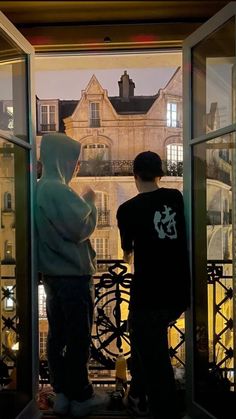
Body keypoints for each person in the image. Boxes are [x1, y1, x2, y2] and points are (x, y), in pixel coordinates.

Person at [35, 133, 108, 417]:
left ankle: (63, 392)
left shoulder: (41, 188)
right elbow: (80, 229)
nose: (77, 167)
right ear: (62, 160)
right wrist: (89, 200)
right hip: (73, 278)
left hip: (52, 276)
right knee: (77, 338)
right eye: (74, 160)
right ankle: (81, 396)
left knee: (58, 337)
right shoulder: (57, 190)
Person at [116, 151, 190, 419]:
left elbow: (128, 253)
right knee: (148, 346)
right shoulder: (175, 197)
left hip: (149, 293)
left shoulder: (127, 210)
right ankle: (138, 395)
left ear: (134, 175)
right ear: (160, 174)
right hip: (178, 291)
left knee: (151, 353)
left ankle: (160, 406)